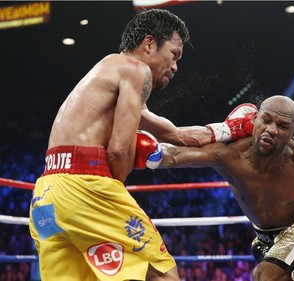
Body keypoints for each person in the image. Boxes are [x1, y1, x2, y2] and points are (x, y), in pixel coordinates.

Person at [28, 8, 256, 281]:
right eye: (174, 55)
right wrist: (115, 190)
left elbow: (176, 135)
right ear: (149, 43)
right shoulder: (136, 70)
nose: (175, 67)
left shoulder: (110, 73)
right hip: (86, 187)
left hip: (47, 194)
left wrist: (227, 130)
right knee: (163, 275)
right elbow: (119, 150)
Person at [151, 95, 294, 281]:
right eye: (266, 120)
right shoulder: (230, 155)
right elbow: (174, 155)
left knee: (264, 275)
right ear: (255, 119)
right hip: (265, 237)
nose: (272, 130)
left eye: (283, 126)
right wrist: (146, 151)